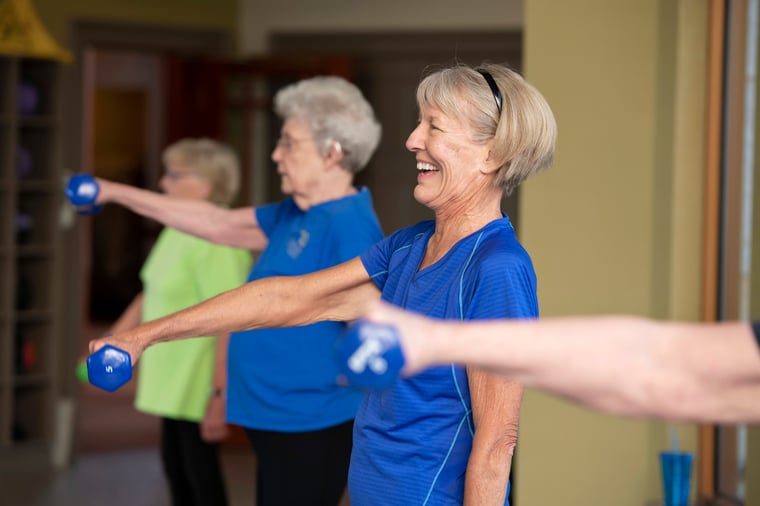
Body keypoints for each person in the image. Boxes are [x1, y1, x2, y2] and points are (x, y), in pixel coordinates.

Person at [85, 62, 557, 505]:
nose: (413, 139)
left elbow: (497, 443)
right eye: (419, 123)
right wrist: (144, 335)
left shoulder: (496, 268)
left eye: (433, 126)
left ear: (491, 154)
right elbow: (288, 297)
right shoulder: (408, 246)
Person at [75, 76, 384, 506]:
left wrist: (142, 336)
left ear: (332, 153)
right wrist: (115, 192)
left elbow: (341, 321)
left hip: (310, 421)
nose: (276, 155)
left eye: (289, 144)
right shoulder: (295, 212)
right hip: (272, 415)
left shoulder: (350, 226)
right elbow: (215, 222)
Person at [105, 138, 252, 506]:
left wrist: (218, 394)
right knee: (176, 470)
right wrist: (113, 339)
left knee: (200, 481)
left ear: (204, 184)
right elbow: (148, 292)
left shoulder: (219, 239)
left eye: (173, 175)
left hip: (196, 381)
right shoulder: (176, 230)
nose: (163, 184)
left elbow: (233, 318)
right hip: (169, 377)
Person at [354, 302, 760, 424]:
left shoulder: (500, 262)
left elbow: (658, 368)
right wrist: (430, 340)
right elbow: (661, 376)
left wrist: (433, 339)